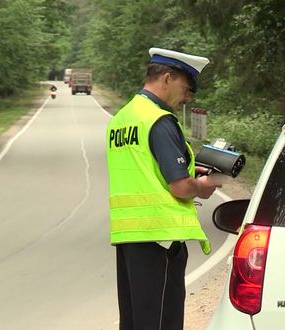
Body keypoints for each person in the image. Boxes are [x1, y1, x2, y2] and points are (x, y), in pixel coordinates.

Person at [106, 47, 222, 330]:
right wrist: (203, 186)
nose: (188, 96)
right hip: (161, 239)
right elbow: (181, 187)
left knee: (135, 322)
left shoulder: (122, 119)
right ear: (167, 78)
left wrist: (188, 171)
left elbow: (145, 168)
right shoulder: (159, 120)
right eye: (186, 87)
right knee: (162, 323)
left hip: (129, 238)